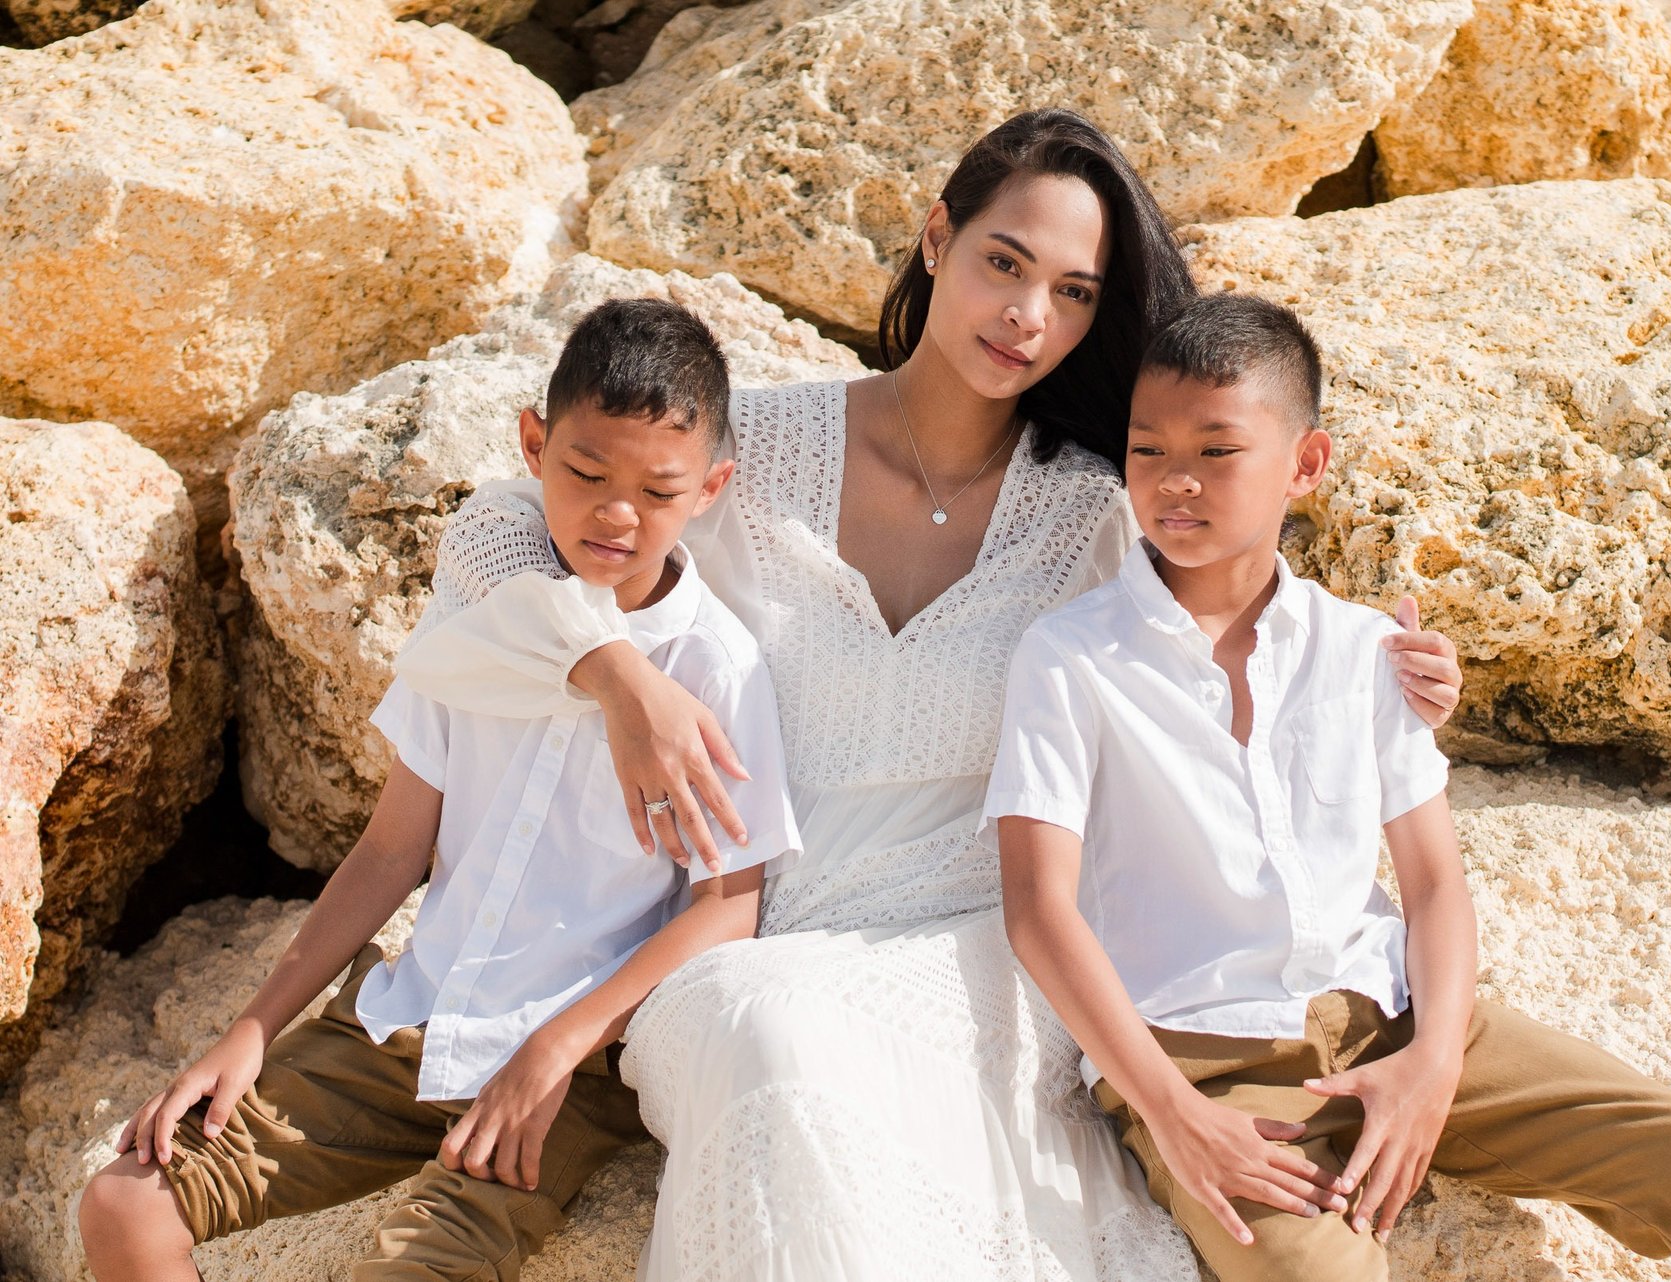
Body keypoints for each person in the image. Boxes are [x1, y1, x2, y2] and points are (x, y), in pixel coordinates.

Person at [399, 110, 1467, 1279]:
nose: (1025, 316)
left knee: (796, 1048)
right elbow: (495, 532)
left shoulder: (1094, 512)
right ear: (935, 240)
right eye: (1004, 264)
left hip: (981, 942)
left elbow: (1229, 600)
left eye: (1071, 292)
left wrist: (1390, 664)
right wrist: (613, 674)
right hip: (755, 927)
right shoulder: (753, 447)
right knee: (765, 1037)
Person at [988, 293, 1671, 1282]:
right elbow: (1038, 905)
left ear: (1306, 465)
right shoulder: (1070, 657)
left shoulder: (1367, 649)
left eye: (1218, 450)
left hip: (1398, 1016)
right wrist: (1171, 1111)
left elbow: (1434, 885)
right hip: (1208, 1062)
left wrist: (1435, 1064)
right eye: (1148, 450)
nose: (1175, 482)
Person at [77, 299, 802, 1281]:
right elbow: (389, 849)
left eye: (657, 490)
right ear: (534, 443)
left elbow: (729, 906)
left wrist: (559, 1045)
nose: (616, 514)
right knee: (126, 1201)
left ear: (711, 488)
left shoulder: (716, 666)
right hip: (409, 1019)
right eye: (585, 473)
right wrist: (250, 1029)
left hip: (567, 1069)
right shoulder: (485, 617)